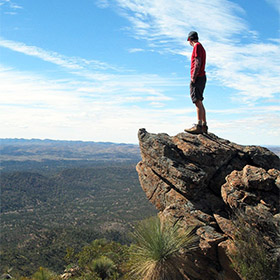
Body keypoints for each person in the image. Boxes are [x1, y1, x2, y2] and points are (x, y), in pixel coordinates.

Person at [184, 31, 208, 134]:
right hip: (202, 77)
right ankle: (204, 125)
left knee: (197, 101)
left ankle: (199, 126)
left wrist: (193, 77)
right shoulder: (201, 47)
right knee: (200, 101)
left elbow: (197, 62)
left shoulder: (197, 47)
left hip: (198, 77)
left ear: (189, 39)